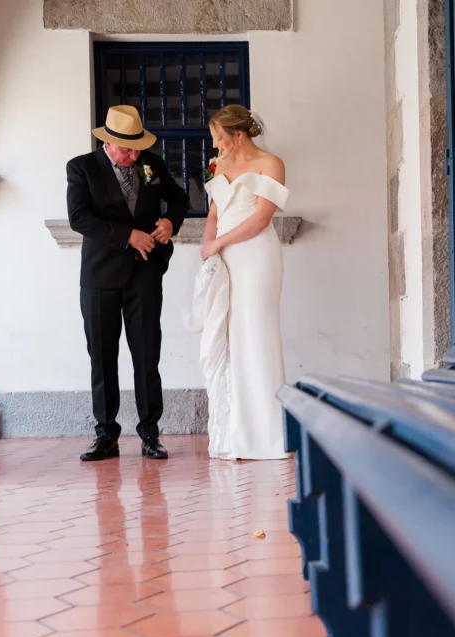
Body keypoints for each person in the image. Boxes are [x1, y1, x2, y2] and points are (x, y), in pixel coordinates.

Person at [66, 105, 187, 462]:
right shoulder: (81, 168)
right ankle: (106, 435)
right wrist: (127, 235)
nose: (134, 156)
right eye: (127, 150)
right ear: (108, 142)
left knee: (147, 355)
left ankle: (151, 434)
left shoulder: (152, 164)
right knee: (102, 358)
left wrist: (170, 222)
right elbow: (79, 218)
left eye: (137, 149)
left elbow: (179, 198)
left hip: (145, 274)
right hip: (99, 277)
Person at [199, 104, 290, 461]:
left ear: (238, 135)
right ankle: (234, 432)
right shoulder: (220, 166)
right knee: (228, 335)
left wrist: (220, 242)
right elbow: (213, 214)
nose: (216, 146)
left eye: (219, 138)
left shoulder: (271, 164)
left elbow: (262, 218)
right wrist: (209, 246)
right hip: (224, 257)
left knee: (255, 332)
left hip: (256, 257)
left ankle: (266, 434)